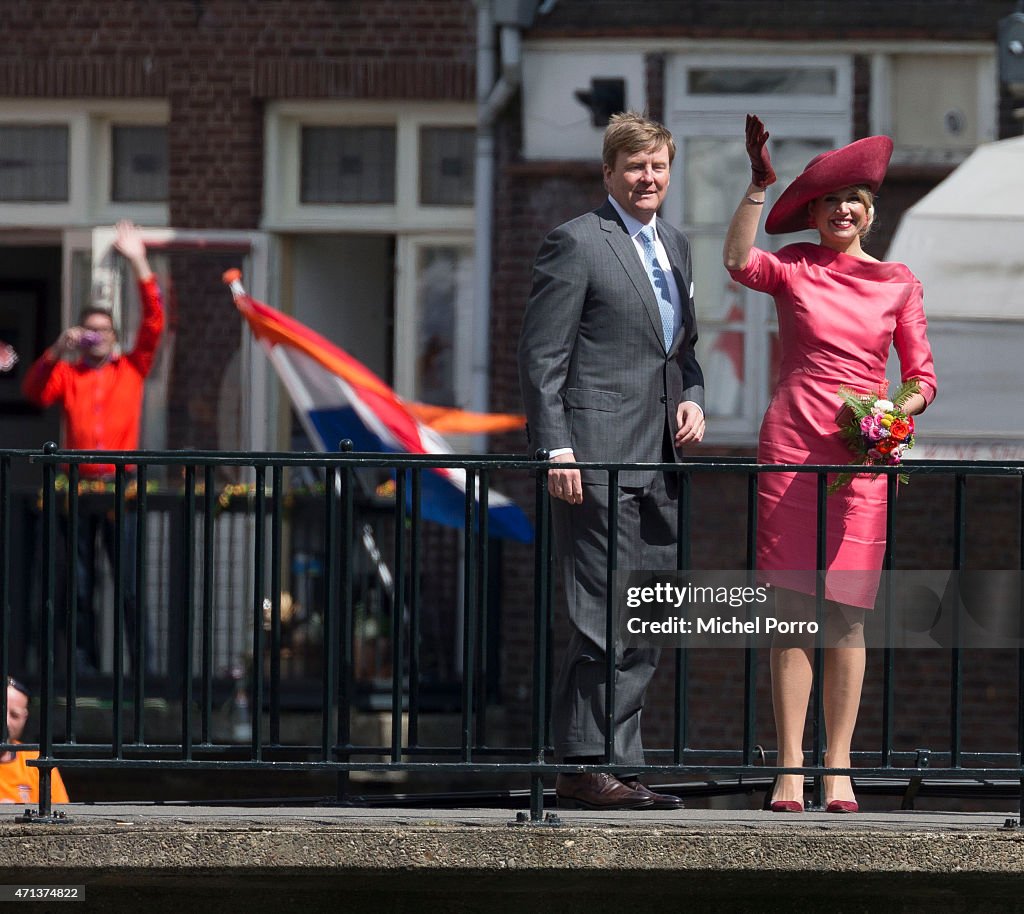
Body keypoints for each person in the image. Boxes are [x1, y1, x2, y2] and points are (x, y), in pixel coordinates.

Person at [723, 115, 937, 813]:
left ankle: (837, 769)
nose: (844, 209)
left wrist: (894, 413)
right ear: (812, 213)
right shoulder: (793, 268)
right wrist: (759, 186)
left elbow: (922, 376)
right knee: (791, 612)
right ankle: (789, 769)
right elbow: (736, 263)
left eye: (857, 200)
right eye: (831, 200)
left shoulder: (899, 283)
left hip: (862, 456)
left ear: (870, 212)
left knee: (846, 614)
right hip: (792, 447)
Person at [518, 112, 705, 811]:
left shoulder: (678, 248)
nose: (648, 177)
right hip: (595, 457)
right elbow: (542, 357)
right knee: (604, 614)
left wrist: (693, 398)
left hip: (660, 460)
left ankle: (613, 763)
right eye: (635, 167)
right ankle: (586, 763)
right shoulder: (575, 243)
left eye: (658, 166)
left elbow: (683, 353)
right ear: (609, 174)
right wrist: (556, 447)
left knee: (649, 614)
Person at [22, 220, 165, 675]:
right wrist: (55, 350)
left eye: (103, 331)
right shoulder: (71, 373)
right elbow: (35, 392)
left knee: (128, 587)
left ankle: (142, 674)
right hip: (78, 489)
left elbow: (155, 322)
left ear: (114, 335)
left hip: (120, 489)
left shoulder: (132, 367)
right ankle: (85, 672)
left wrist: (139, 260)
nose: (97, 337)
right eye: (90, 331)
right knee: (79, 587)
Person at [0, 677, 69, 804]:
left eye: (14, 715)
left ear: (24, 718)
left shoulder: (37, 758)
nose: (5, 721)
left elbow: (59, 810)